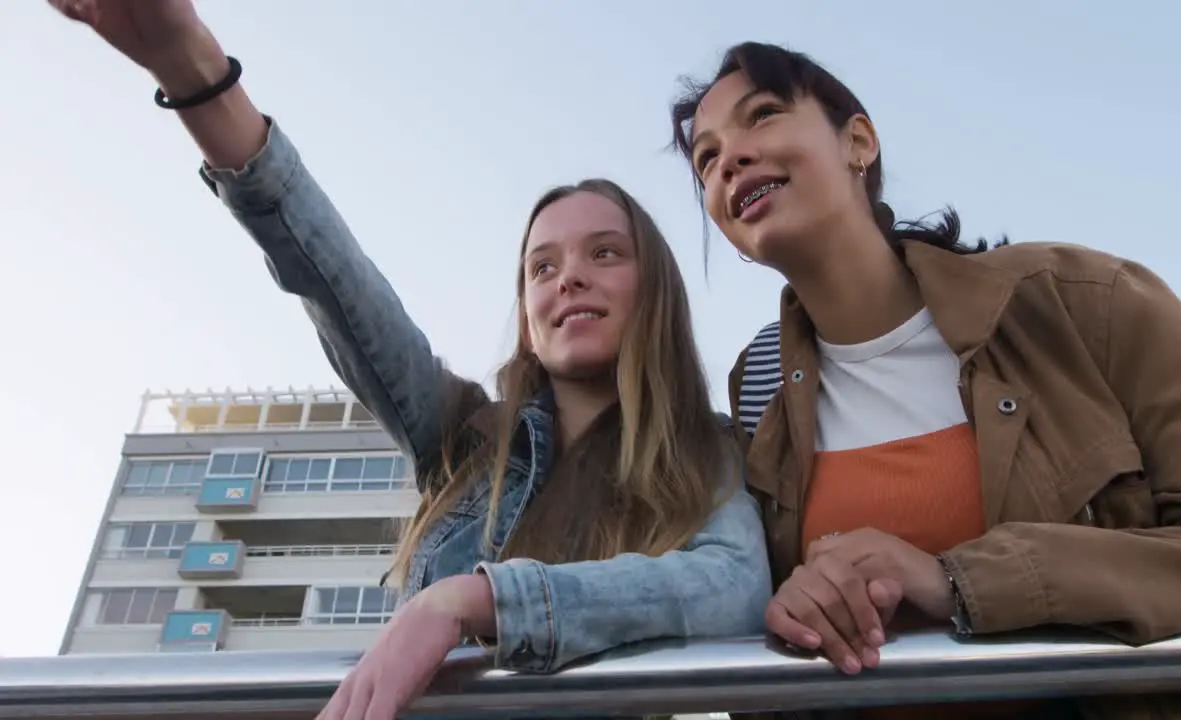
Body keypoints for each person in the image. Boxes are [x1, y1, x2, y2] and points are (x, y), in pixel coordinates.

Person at [49, 2, 773, 719]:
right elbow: (332, 280)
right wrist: (191, 68)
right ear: (526, 316)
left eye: (604, 253)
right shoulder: (461, 437)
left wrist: (474, 600)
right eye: (541, 268)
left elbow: (732, 589)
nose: (568, 279)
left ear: (656, 289)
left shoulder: (707, 451)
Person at [670, 41, 1181, 719]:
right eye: (707, 158)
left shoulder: (1082, 302)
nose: (729, 159)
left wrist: (957, 581)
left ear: (859, 142)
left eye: (763, 115)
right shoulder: (758, 394)